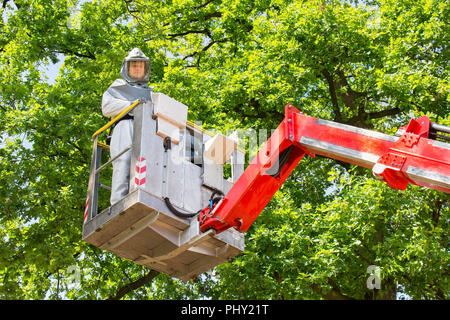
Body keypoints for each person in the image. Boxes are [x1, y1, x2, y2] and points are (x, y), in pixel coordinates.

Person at [102, 48, 152, 205]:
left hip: (145, 129)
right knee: (123, 162)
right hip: (124, 126)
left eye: (140, 66)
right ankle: (118, 202)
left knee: (145, 163)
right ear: (127, 68)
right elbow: (107, 107)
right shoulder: (118, 86)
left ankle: (140, 199)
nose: (137, 68)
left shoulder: (150, 93)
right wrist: (132, 105)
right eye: (134, 65)